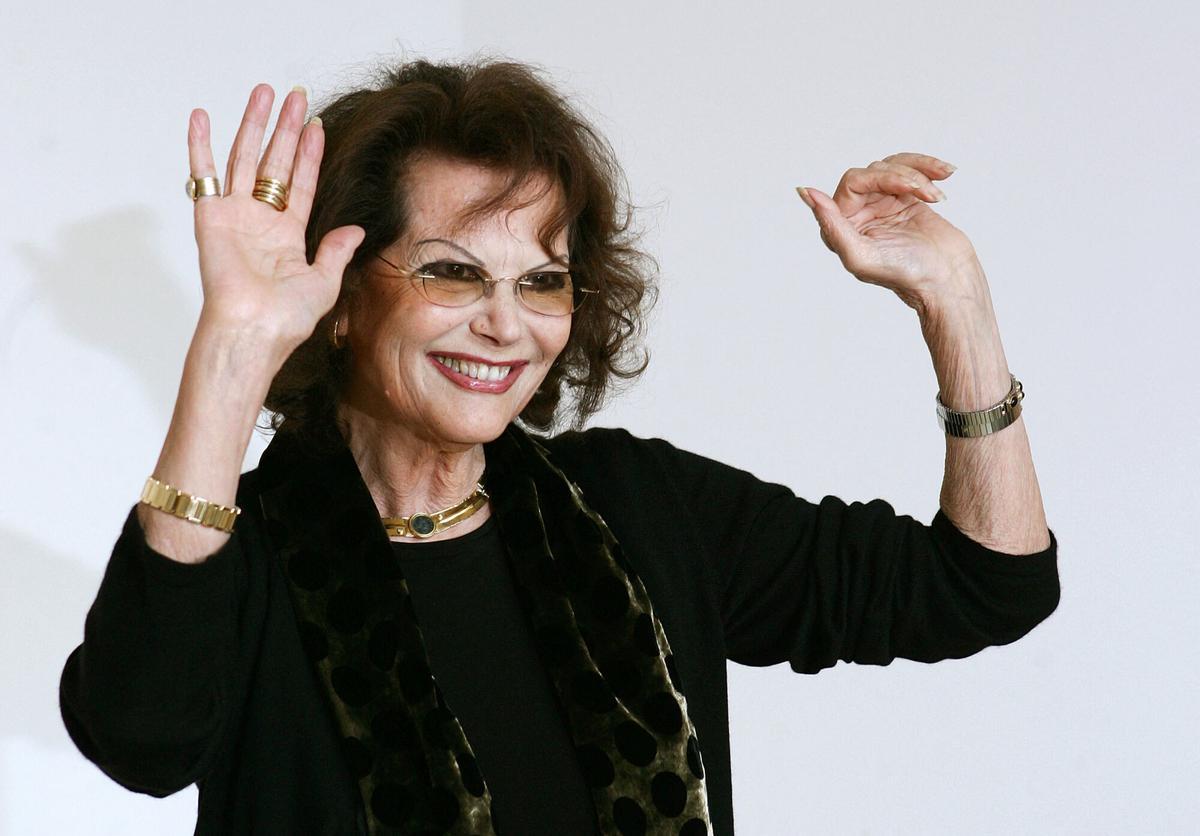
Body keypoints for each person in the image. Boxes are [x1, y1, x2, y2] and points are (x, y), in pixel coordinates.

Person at [58, 57, 1060, 836]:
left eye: (541, 281)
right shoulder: (242, 560)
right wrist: (233, 348)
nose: (507, 324)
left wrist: (956, 303)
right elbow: (139, 736)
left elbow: (988, 583)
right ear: (342, 298)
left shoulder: (637, 507)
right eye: (454, 274)